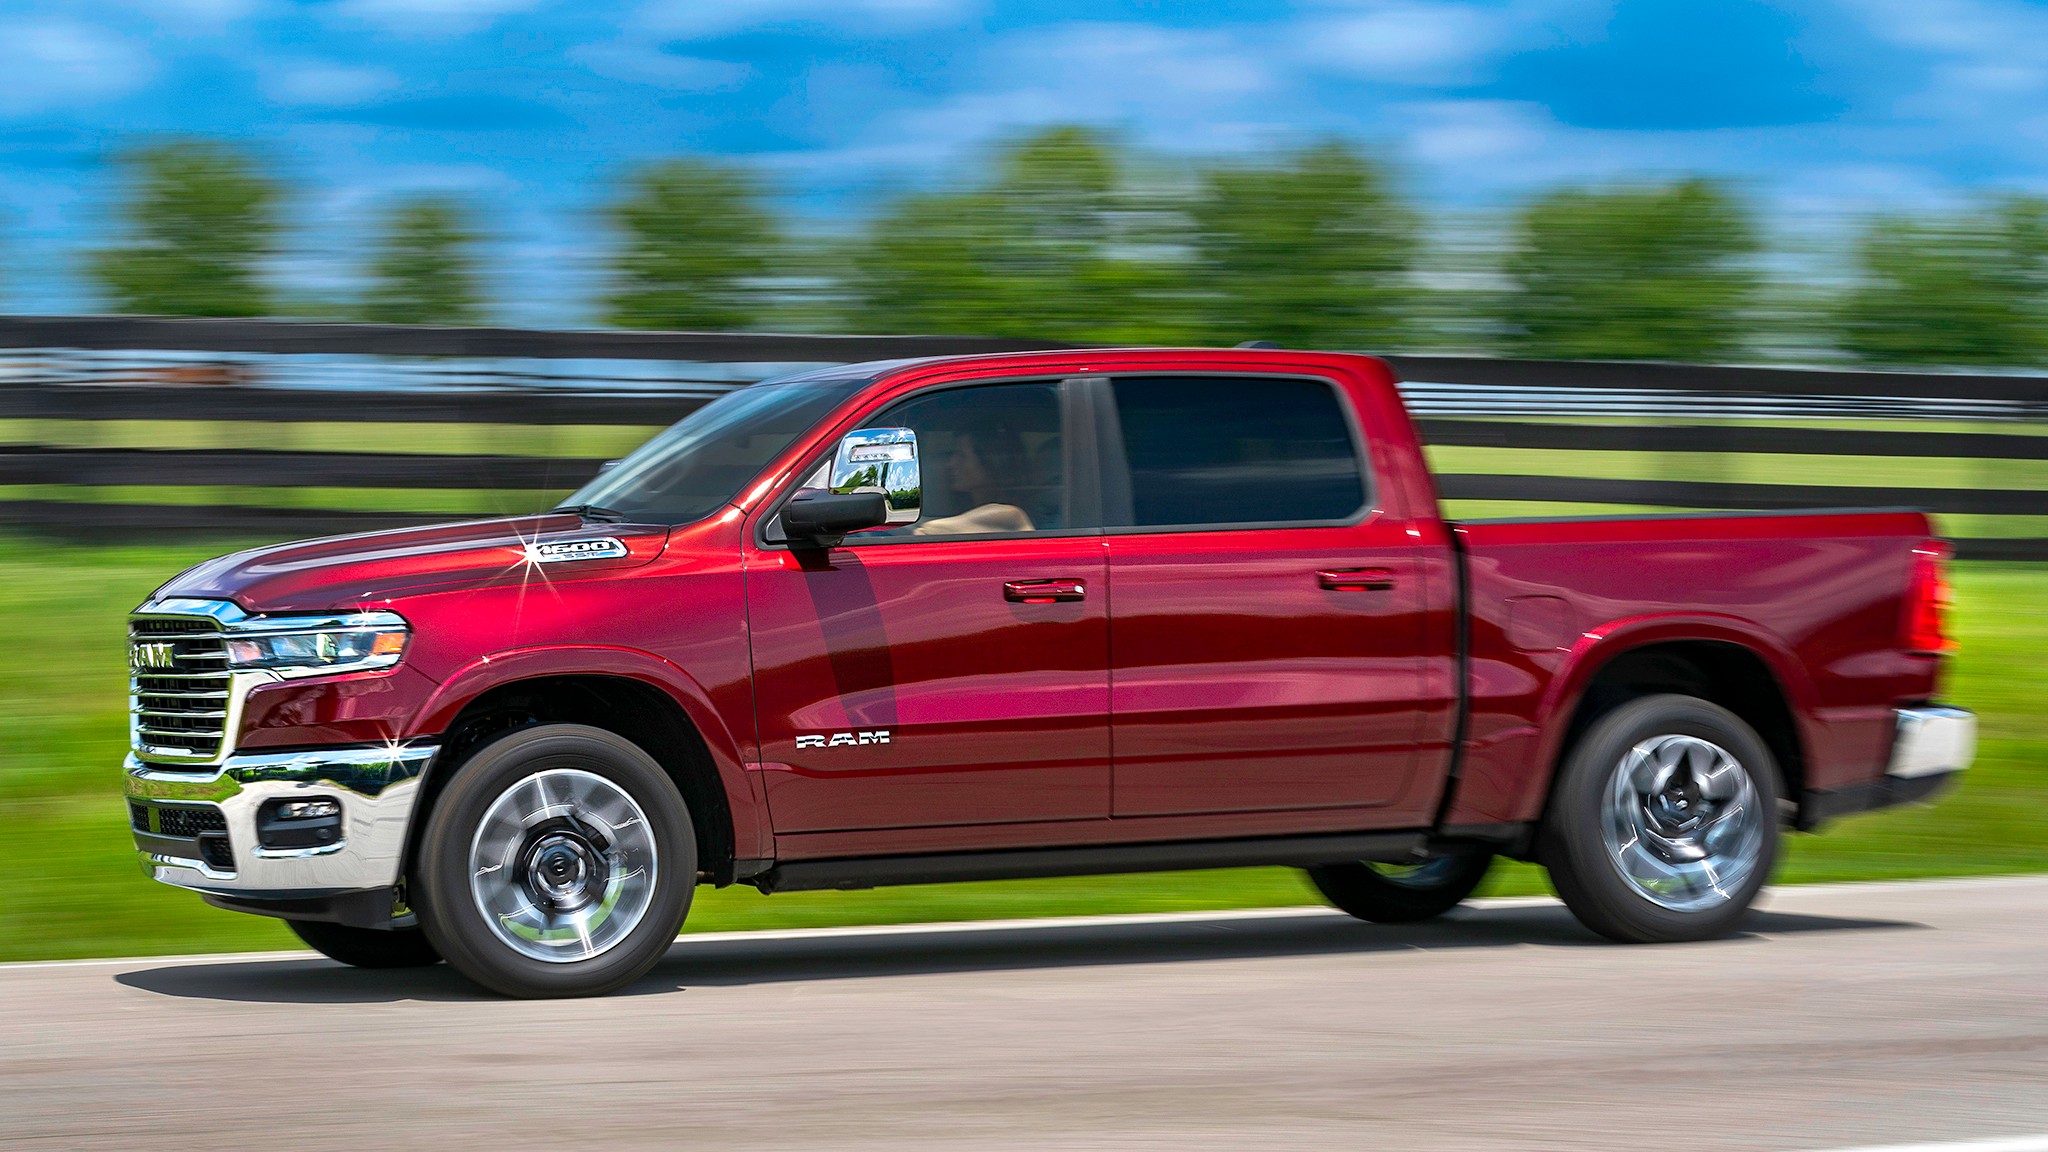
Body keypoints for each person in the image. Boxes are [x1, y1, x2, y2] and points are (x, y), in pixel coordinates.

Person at [912, 417, 1036, 535]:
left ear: (991, 463)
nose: (951, 463)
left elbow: (925, 531)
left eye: (962, 455)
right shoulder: (962, 510)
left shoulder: (1010, 516)